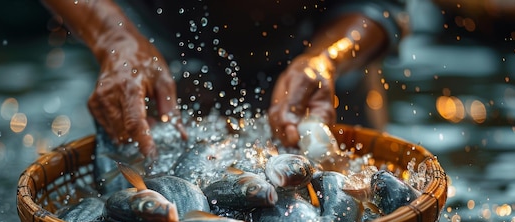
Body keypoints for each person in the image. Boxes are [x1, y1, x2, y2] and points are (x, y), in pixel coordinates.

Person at [40, 0, 407, 157]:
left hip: (323, 59)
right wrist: (115, 39)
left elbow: (384, 6)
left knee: (356, 198)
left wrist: (325, 61)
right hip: (160, 45)